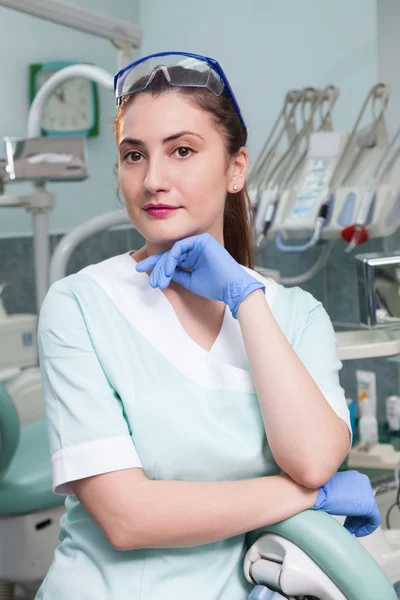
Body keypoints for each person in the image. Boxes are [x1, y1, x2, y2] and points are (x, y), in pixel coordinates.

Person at [35, 52, 381, 600]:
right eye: (133, 155)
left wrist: (247, 301)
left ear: (236, 168)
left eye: (182, 151)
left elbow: (313, 459)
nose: (153, 179)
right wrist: (308, 498)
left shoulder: (294, 315)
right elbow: (128, 519)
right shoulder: (79, 305)